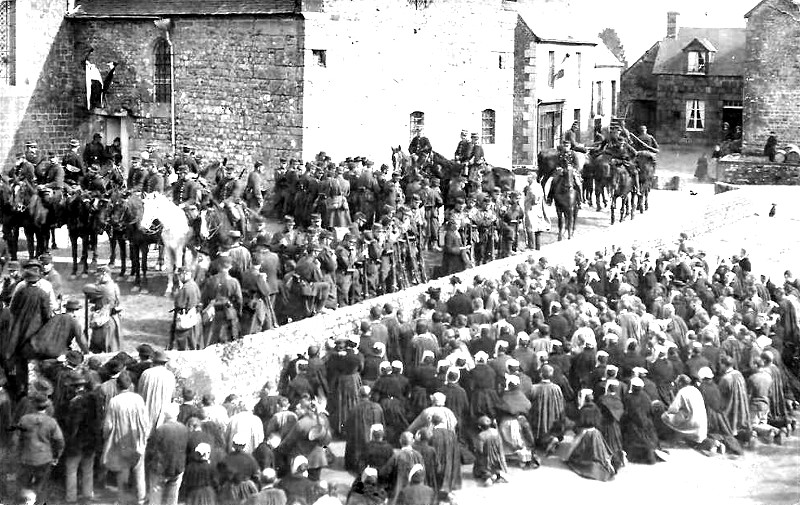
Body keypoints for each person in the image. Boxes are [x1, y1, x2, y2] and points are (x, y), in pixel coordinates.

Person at [102, 373, 150, 505]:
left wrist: (106, 437)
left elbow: (109, 425)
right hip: (138, 440)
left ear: (117, 385)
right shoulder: (138, 399)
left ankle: (122, 499)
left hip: (120, 441)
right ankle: (141, 498)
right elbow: (146, 421)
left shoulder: (114, 401)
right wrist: (145, 436)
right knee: (139, 471)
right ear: (130, 385)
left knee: (122, 471)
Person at [14, 393, 64, 501]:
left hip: (26, 457)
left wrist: (17, 453)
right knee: (41, 486)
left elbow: (16, 439)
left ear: (33, 405)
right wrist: (57, 456)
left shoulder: (24, 419)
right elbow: (60, 441)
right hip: (44, 458)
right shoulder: (51, 422)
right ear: (47, 406)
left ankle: (25, 501)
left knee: (25, 485)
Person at [62, 372, 98, 503]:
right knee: (88, 469)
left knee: (71, 470)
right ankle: (88, 495)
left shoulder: (72, 402)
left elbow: (72, 424)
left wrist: (70, 437)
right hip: (90, 440)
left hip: (76, 441)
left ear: (74, 386)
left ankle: (71, 498)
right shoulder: (93, 398)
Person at [146, 403, 189, 505]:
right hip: (177, 467)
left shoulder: (161, 429)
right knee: (172, 498)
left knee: (156, 496)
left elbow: (151, 449)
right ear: (177, 413)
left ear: (165, 414)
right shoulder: (184, 429)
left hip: (160, 467)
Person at [344, 386, 385, 473]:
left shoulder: (354, 409)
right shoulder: (377, 408)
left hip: (358, 446)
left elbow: (348, 429)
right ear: (369, 395)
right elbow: (382, 427)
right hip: (375, 444)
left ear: (359, 395)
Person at [661, 374, 708, 445]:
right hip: (702, 425)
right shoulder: (696, 390)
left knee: (665, 416)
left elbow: (673, 410)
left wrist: (666, 409)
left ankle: (674, 437)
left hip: (692, 424)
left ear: (680, 383)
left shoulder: (682, 391)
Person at [137, 349, 176, 434]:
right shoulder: (170, 376)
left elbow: (139, 392)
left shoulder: (146, 374)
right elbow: (172, 396)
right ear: (165, 363)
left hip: (147, 409)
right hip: (163, 411)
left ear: (153, 361)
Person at [379, 431, 424, 505]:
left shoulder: (396, 455)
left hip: (396, 495)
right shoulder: (418, 456)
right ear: (412, 441)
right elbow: (423, 473)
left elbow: (384, 473)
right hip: (414, 496)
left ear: (400, 441)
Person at [473, 416, 509, 487]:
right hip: (497, 458)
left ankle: (488, 478)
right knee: (496, 468)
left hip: (487, 460)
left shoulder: (481, 436)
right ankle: (497, 475)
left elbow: (480, 450)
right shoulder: (495, 432)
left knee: (479, 466)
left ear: (480, 427)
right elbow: (500, 446)